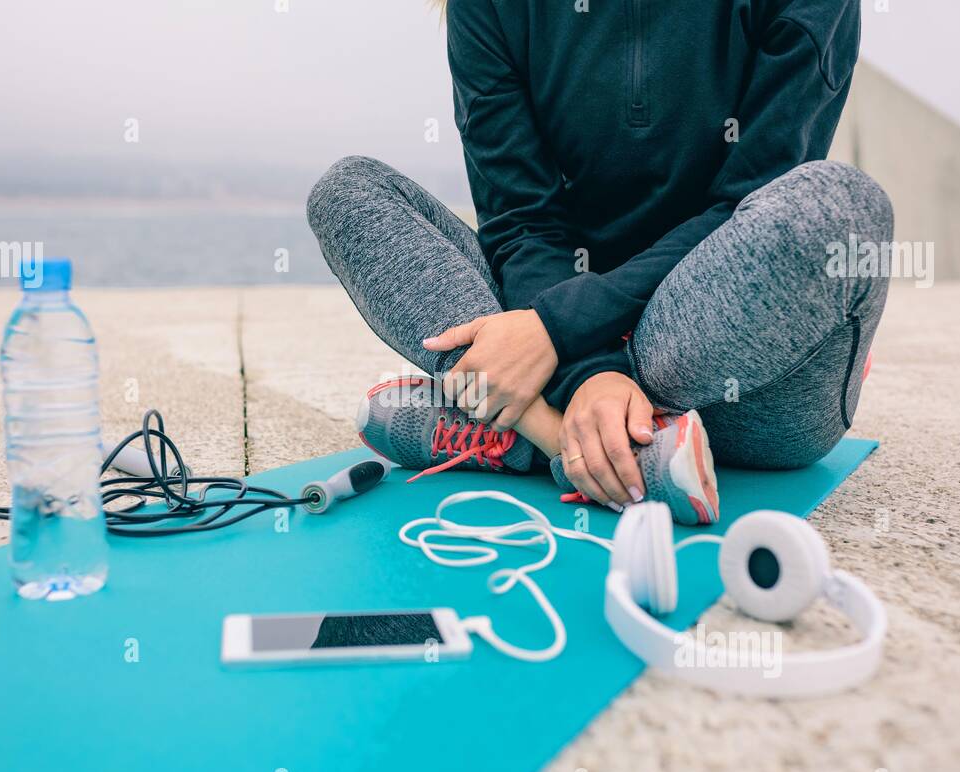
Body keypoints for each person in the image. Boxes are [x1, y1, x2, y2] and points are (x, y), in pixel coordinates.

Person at [307, 0, 892, 525]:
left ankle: (512, 424)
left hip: (737, 382)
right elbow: (522, 222)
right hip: (550, 338)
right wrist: (590, 372)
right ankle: (566, 440)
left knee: (840, 206)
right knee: (348, 192)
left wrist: (561, 334)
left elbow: (746, 201)